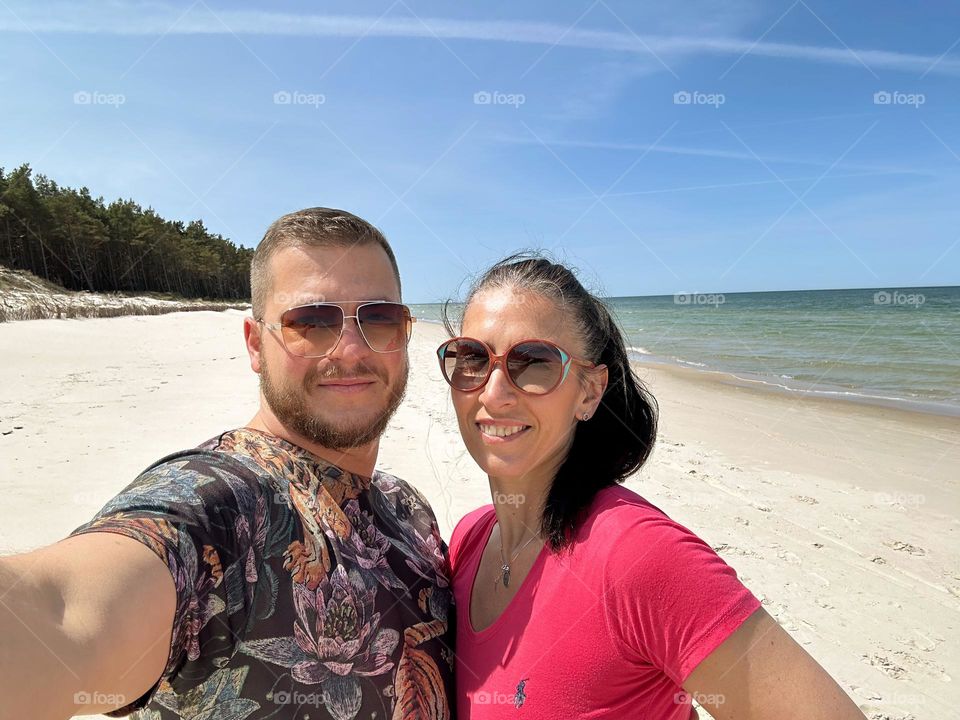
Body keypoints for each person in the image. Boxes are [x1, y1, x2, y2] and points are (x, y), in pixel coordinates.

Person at [0, 208, 454, 719]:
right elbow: (60, 610)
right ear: (256, 345)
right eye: (311, 322)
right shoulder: (222, 502)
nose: (350, 349)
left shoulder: (409, 510)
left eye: (378, 318)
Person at [438, 254, 867, 720]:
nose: (494, 392)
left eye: (535, 362)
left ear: (589, 392)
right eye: (473, 358)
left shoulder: (637, 556)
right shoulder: (469, 541)